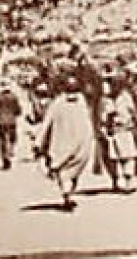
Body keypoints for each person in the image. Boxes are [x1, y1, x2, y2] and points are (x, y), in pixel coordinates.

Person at [36, 74, 95, 211]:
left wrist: (39, 142)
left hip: (62, 145)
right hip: (80, 145)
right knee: (73, 172)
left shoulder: (59, 102)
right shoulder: (82, 102)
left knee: (65, 171)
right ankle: (68, 195)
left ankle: (67, 195)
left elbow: (47, 123)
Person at [100, 77, 137, 192]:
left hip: (125, 130)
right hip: (112, 132)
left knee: (128, 157)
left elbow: (134, 113)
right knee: (112, 158)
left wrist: (136, 126)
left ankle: (128, 181)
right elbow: (102, 116)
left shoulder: (126, 97)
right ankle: (115, 180)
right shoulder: (106, 100)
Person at [0, 81, 25, 170]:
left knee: (2, 141)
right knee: (12, 139)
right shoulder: (14, 97)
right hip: (12, 121)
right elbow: (19, 110)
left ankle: (5, 158)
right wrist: (14, 114)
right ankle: (10, 151)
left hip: (1, 121)